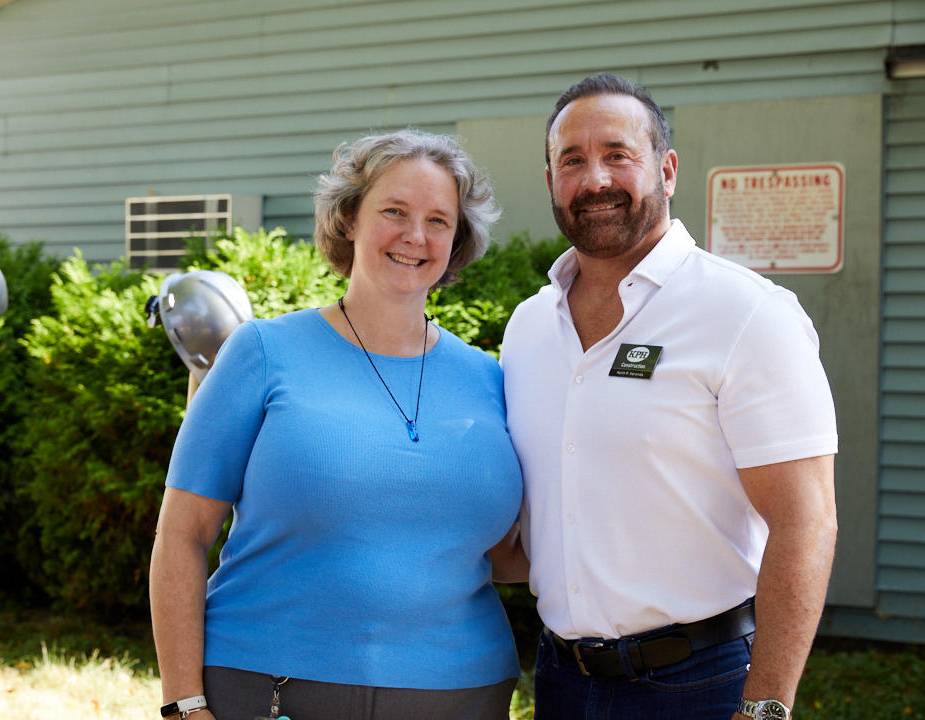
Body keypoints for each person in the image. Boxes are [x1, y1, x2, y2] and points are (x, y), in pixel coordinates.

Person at [150, 128, 526, 720]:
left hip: (462, 693)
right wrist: (184, 702)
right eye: (394, 211)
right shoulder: (261, 353)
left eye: (438, 220)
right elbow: (182, 534)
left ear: (457, 240)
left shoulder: (491, 378)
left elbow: (507, 555)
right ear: (348, 218)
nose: (414, 236)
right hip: (272, 687)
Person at [499, 73, 839, 720]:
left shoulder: (746, 314)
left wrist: (765, 707)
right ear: (550, 183)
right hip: (560, 679)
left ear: (667, 169)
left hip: (700, 685)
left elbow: (807, 521)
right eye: (572, 160)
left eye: (618, 155)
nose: (595, 179)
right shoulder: (528, 327)